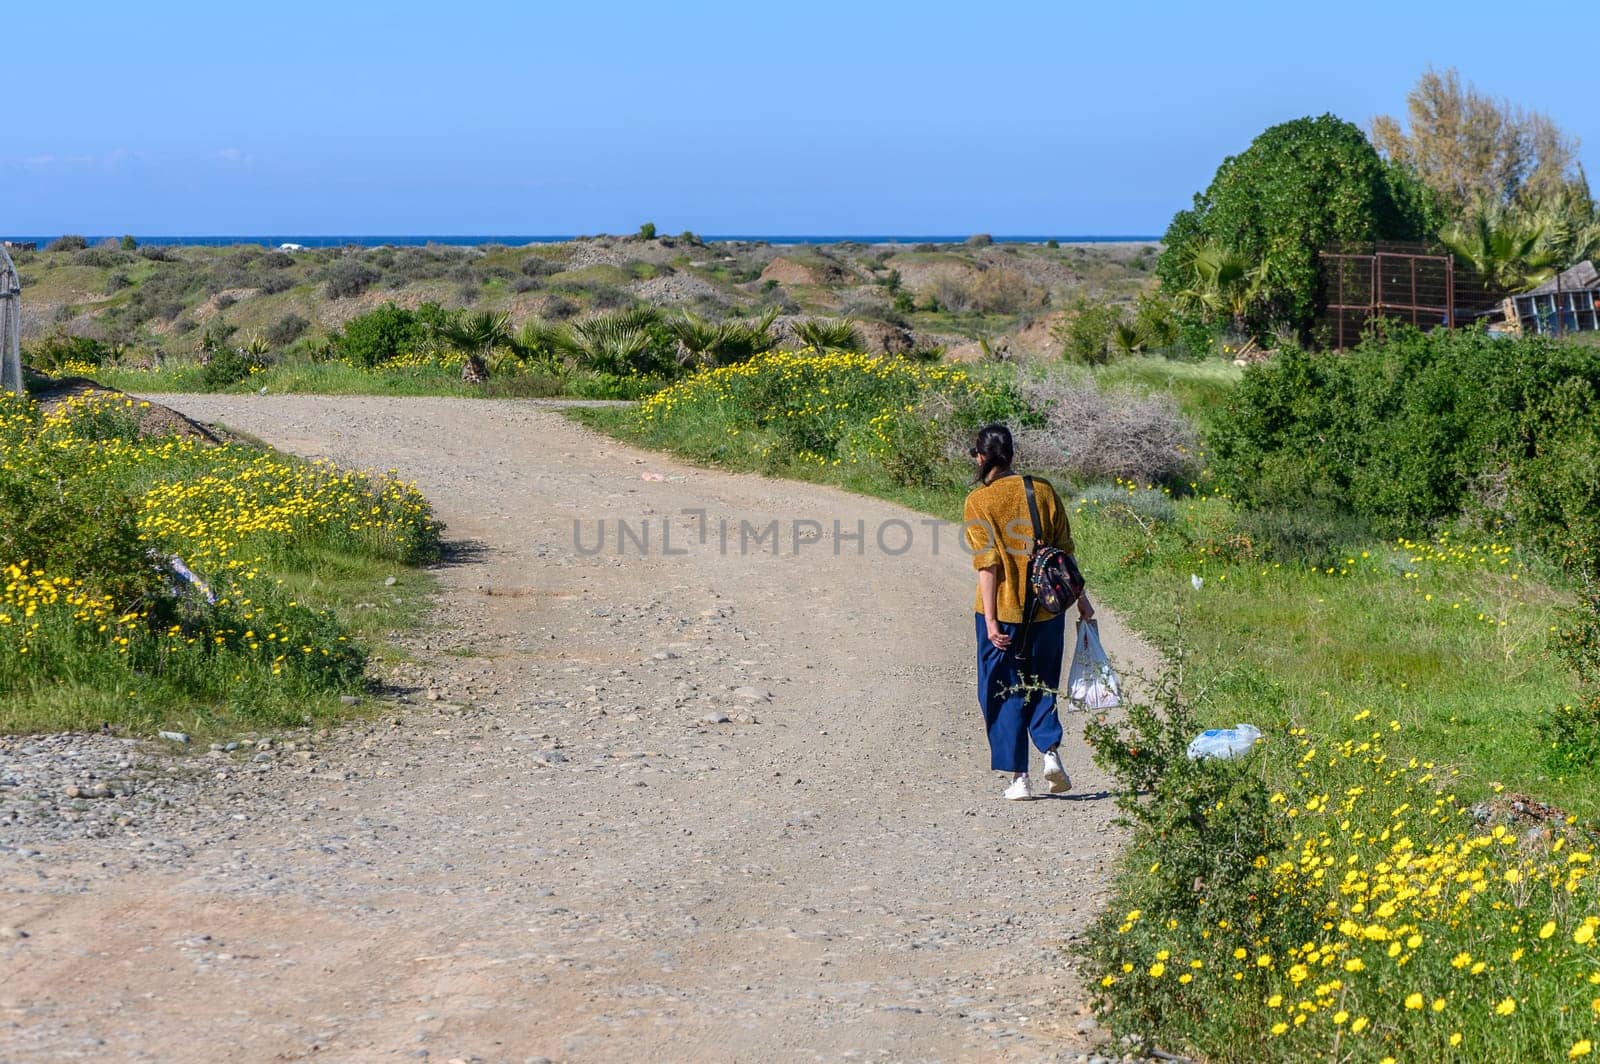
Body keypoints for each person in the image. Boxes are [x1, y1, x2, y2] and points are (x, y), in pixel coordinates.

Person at [962, 423, 1095, 800]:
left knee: (1002, 689)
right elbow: (1064, 552)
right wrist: (1081, 601)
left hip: (1002, 611)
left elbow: (988, 566)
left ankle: (1019, 778)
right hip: (1047, 609)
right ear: (1012, 455)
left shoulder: (978, 502)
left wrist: (989, 622)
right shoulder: (1043, 491)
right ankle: (1051, 754)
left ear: (981, 457)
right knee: (1041, 682)